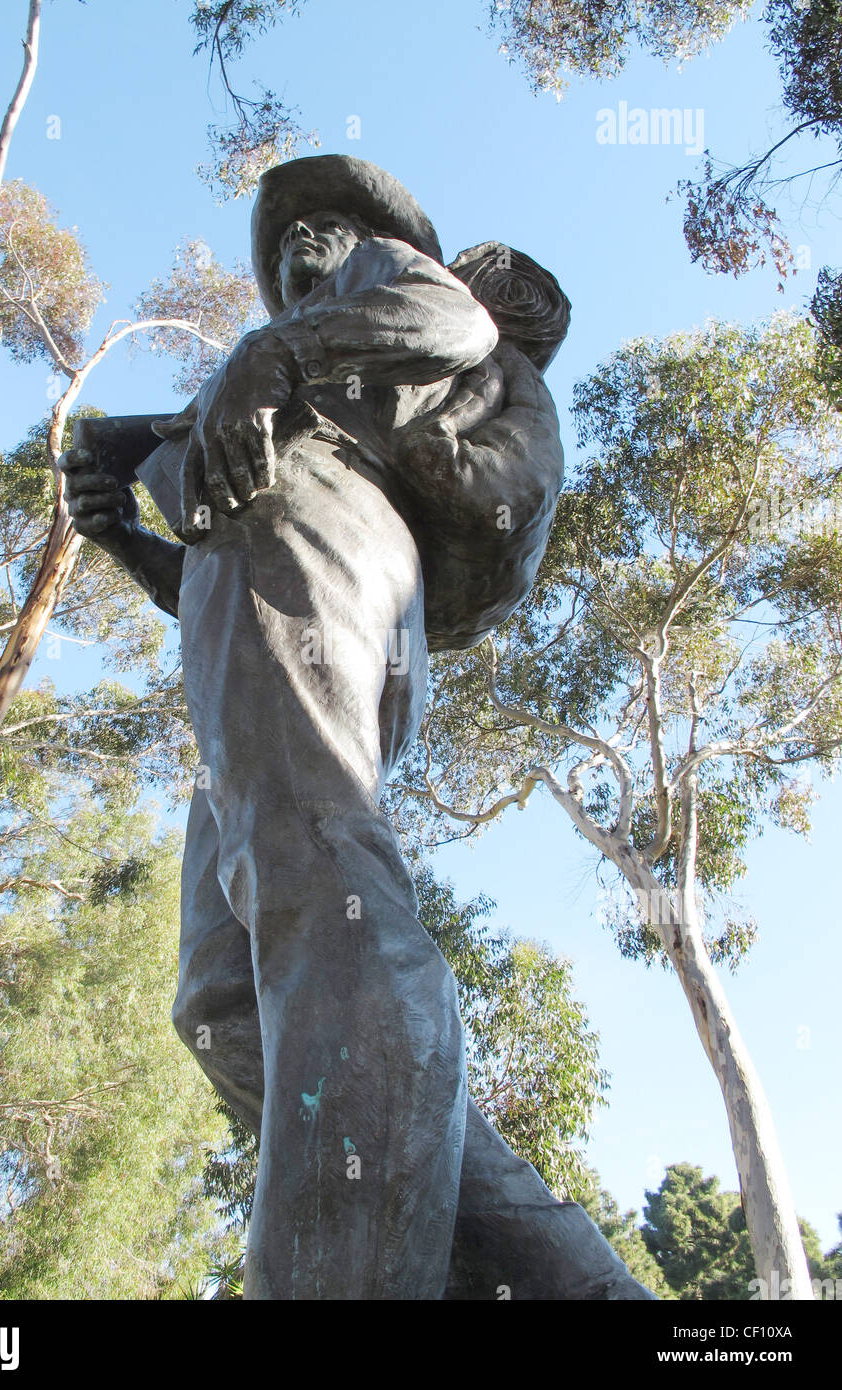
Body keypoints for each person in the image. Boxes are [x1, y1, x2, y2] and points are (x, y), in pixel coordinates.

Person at [61, 155, 652, 1301]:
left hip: (327, 555)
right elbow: (209, 561)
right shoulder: (304, 363)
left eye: (312, 234)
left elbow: (448, 315)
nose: (294, 257)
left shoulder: (378, 293)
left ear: (359, 235)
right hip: (275, 593)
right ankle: (565, 1287)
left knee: (316, 887)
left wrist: (270, 348)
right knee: (223, 1001)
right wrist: (132, 541)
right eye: (280, 254)